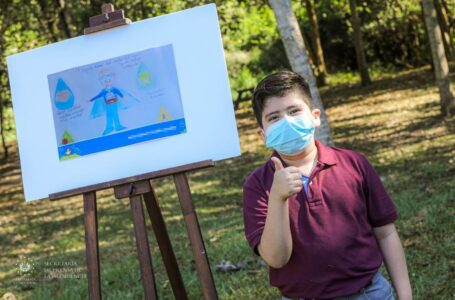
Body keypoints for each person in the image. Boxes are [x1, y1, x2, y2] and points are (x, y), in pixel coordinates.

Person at [242, 70, 412, 300]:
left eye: (294, 111)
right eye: (274, 117)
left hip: (369, 293)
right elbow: (276, 258)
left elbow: (385, 234)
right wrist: (277, 198)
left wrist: (405, 295)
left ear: (315, 117)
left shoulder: (354, 164)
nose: (287, 122)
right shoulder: (258, 185)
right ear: (263, 135)